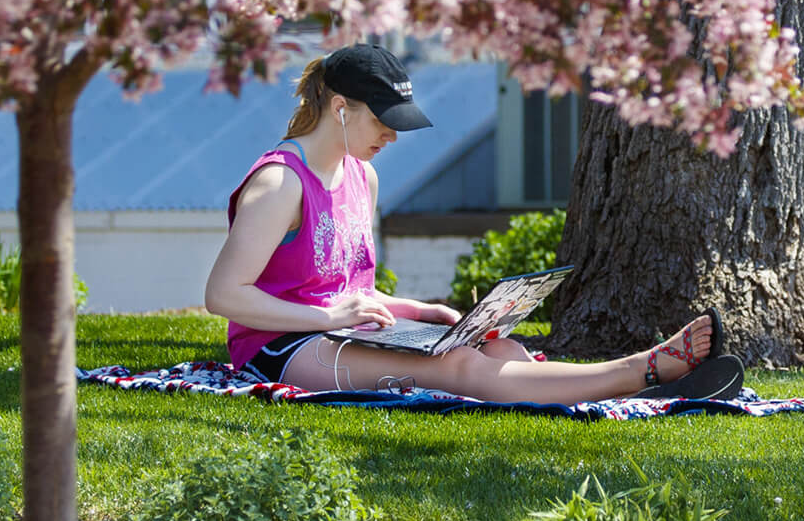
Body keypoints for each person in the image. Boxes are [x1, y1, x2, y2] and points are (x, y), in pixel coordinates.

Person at [204, 43, 744, 402]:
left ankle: (625, 389)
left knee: (496, 348)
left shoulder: (359, 177)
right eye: (383, 121)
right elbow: (225, 296)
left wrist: (412, 310)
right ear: (340, 107)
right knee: (456, 369)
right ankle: (641, 372)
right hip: (279, 349)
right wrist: (330, 317)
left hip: (339, 330)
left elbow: (345, 291)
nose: (392, 137)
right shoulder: (281, 184)